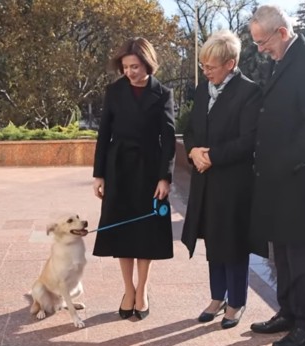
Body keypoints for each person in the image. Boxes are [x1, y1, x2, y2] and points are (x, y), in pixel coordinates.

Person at [247, 5, 305, 346]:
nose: (259, 49)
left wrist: (284, 164)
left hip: (297, 181)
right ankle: (286, 312)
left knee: (299, 254)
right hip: (276, 180)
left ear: (282, 33)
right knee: (280, 252)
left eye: (262, 42)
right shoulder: (281, 60)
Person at [181, 30, 262, 329]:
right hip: (205, 180)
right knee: (213, 240)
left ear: (230, 63)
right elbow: (189, 129)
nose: (205, 71)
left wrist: (211, 156)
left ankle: (236, 301)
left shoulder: (249, 92)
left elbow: (249, 140)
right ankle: (218, 297)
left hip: (233, 182)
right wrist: (193, 151)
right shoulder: (204, 89)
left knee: (233, 242)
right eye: (203, 66)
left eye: (210, 66)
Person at [92, 37, 176, 321]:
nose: (130, 72)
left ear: (147, 64)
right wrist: (99, 174)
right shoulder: (114, 92)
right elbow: (104, 134)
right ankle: (128, 290)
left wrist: (165, 178)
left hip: (150, 172)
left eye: (135, 66)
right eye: (126, 67)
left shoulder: (163, 93)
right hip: (119, 170)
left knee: (146, 232)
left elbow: (168, 140)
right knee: (121, 231)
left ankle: (144, 290)